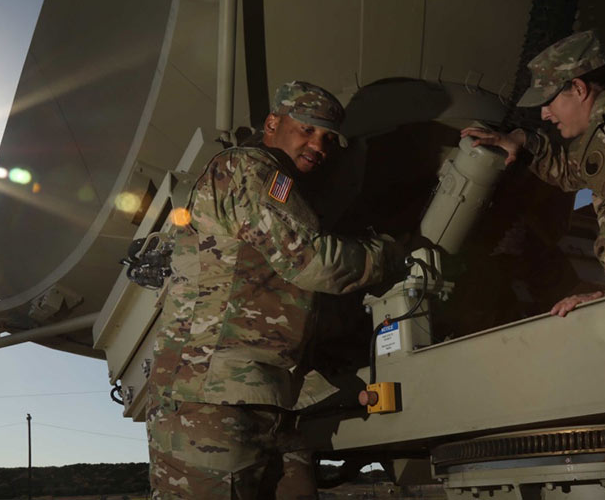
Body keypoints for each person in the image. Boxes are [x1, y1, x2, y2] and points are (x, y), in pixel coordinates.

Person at [145, 81, 408, 499]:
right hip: (211, 398)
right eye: (307, 130)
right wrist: (391, 254)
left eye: (326, 138)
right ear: (272, 123)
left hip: (265, 396)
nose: (318, 145)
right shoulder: (248, 168)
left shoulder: (285, 188)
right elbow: (312, 262)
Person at [462, 30, 605, 317]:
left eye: (549, 101)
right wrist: (524, 144)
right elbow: (576, 171)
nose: (545, 113)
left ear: (580, 89)